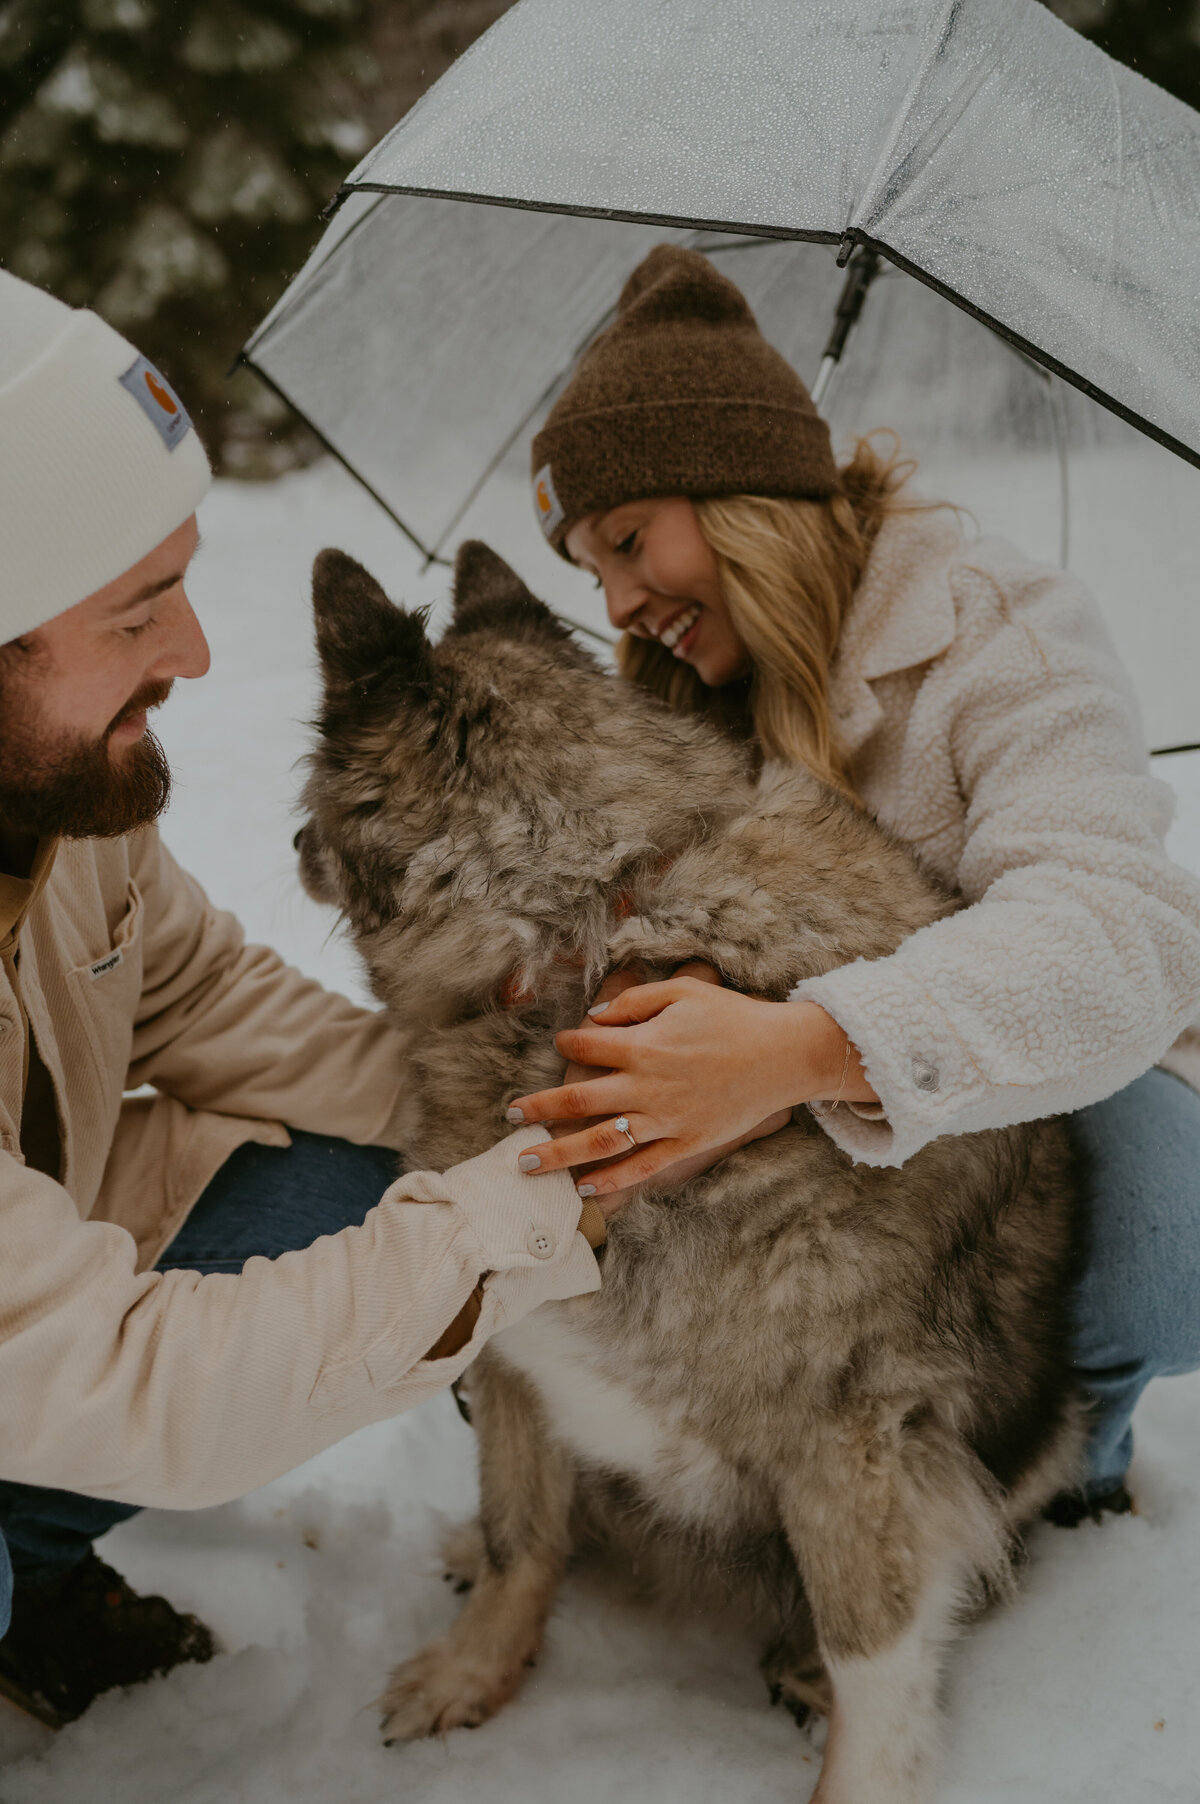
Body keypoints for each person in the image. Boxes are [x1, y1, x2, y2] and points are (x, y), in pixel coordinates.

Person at [0, 268, 610, 1729]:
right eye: (137, 611)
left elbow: (195, 986)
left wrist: (545, 1099)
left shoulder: (57, 797)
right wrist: (553, 1194)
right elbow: (129, 1383)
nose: (197, 653)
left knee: (368, 1167)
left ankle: (25, 1570)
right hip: (54, 1351)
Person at [508, 243, 1200, 1520]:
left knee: (1162, 1233)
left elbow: (1119, 921)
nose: (616, 601)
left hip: (1027, 1091)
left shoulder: (1000, 625)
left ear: (738, 491)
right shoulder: (675, 698)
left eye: (626, 539)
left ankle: (1064, 1444)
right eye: (588, 571)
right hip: (798, 1142)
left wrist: (811, 1048)